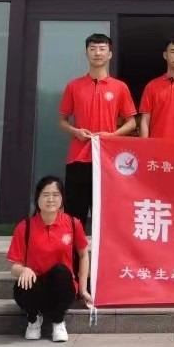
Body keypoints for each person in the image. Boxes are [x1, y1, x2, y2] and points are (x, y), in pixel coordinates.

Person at [58, 33, 137, 224]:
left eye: (102, 49)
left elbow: (132, 123)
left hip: (108, 158)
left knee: (106, 215)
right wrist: (76, 131)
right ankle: (75, 245)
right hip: (78, 157)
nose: (97, 53)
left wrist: (112, 135)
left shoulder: (120, 87)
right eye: (93, 49)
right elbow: (62, 121)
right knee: (75, 214)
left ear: (110, 54)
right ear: (86, 54)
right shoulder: (74, 86)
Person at [6, 175, 92, 342]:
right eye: (45, 195)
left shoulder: (73, 223)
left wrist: (83, 289)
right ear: (37, 198)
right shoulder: (25, 227)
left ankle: (58, 321)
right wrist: (23, 270)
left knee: (61, 271)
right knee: (24, 283)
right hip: (35, 287)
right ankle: (33, 319)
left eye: (55, 195)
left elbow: (83, 255)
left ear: (62, 198)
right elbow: (14, 266)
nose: (50, 199)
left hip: (62, 287)